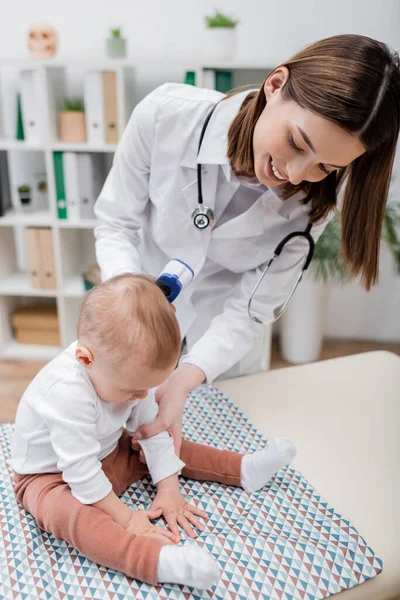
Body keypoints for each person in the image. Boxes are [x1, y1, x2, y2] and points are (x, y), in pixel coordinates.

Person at [93, 34, 400, 455]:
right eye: (296, 143)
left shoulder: (316, 201)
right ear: (275, 85)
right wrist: (132, 301)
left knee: (212, 455)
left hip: (223, 348)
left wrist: (186, 377)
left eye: (325, 166)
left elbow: (251, 309)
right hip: (135, 307)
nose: (294, 173)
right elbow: (115, 223)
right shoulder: (166, 115)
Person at [10, 274, 296, 590]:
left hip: (105, 453)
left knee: (164, 441)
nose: (142, 397)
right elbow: (81, 473)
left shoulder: (129, 380)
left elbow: (152, 432)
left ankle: (242, 469)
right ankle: (155, 560)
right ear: (85, 359)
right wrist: (127, 518)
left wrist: (169, 489)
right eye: (133, 389)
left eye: (148, 387)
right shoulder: (66, 392)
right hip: (48, 477)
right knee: (70, 516)